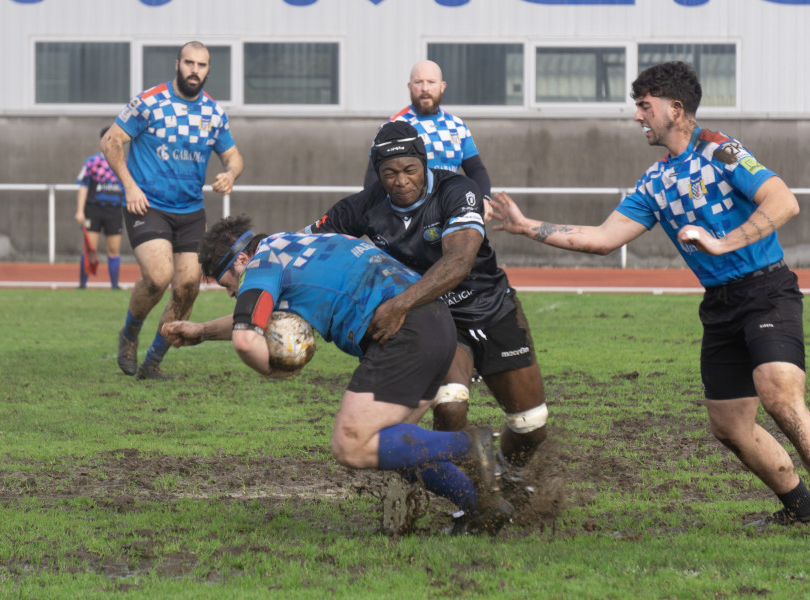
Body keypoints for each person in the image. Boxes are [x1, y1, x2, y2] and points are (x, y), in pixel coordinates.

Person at [490, 61, 810, 527]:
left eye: (644, 106)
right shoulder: (656, 181)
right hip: (720, 305)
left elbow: (784, 201)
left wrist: (723, 242)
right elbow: (602, 238)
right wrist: (526, 227)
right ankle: (801, 509)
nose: (637, 117)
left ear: (675, 110)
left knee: (779, 396)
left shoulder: (721, 150)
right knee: (729, 425)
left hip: (767, 290)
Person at [161, 215, 515, 535]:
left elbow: (244, 338)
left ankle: (469, 446)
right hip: (435, 325)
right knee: (394, 447)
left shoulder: (260, 264)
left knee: (352, 444)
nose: (232, 292)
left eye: (228, 283)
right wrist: (203, 330)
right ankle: (482, 506)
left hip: (403, 335)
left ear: (241, 260)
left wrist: (271, 369)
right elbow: (253, 315)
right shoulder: (297, 243)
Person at [307, 120, 550, 491]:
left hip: (491, 307)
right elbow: (305, 243)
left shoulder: (457, 190)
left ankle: (509, 475)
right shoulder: (365, 205)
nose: (400, 180)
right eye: (389, 173)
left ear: (424, 164)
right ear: (377, 173)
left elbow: (458, 261)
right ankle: (469, 496)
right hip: (440, 319)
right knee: (451, 405)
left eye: (409, 170)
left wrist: (399, 304)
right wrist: (257, 256)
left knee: (530, 425)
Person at [101, 41, 245, 380]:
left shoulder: (213, 113)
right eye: (189, 63)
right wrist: (129, 186)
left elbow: (234, 156)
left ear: (209, 70)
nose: (195, 70)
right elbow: (111, 140)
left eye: (202, 65)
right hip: (147, 204)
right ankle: (130, 333)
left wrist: (230, 173)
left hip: (190, 211)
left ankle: (152, 363)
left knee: (188, 287)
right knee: (158, 276)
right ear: (177, 64)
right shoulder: (149, 102)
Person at [362, 60, 492, 203]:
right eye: (418, 82)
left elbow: (476, 170)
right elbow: (373, 177)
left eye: (431, 82)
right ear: (410, 87)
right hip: (407, 216)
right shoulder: (392, 127)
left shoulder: (457, 126)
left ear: (442, 87)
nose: (425, 88)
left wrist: (484, 200)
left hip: (449, 211)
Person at [74, 126, 125, 290]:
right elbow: (83, 186)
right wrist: (80, 210)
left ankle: (114, 285)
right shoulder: (92, 162)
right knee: (90, 248)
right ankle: (82, 285)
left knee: (113, 249)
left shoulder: (124, 164)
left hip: (114, 211)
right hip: (94, 210)